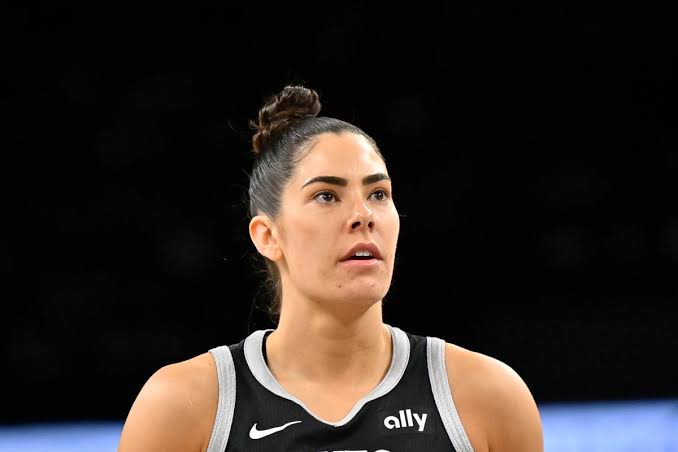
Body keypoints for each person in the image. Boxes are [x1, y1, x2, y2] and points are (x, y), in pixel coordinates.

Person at [117, 85, 544, 452]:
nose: (363, 215)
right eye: (327, 195)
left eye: (378, 194)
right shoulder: (183, 407)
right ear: (268, 236)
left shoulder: (488, 397)